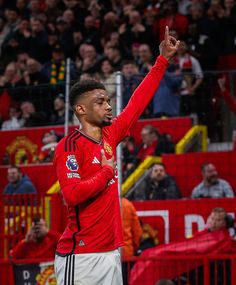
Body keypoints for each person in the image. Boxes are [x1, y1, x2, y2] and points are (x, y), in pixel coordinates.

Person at [53, 26, 180, 285]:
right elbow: (72, 194)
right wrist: (106, 172)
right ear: (81, 109)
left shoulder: (110, 134)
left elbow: (138, 101)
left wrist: (162, 60)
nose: (109, 105)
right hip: (81, 257)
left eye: (108, 100)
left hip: (111, 252)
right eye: (100, 101)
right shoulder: (69, 146)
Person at [130, 207, 236, 285]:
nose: (213, 222)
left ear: (224, 224)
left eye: (218, 220)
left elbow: (193, 248)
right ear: (208, 218)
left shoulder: (223, 239)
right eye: (212, 218)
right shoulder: (203, 234)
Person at [122, 197, 143, 285]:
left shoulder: (103, 202)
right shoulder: (127, 204)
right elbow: (137, 232)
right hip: (126, 253)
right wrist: (134, 248)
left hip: (107, 253)